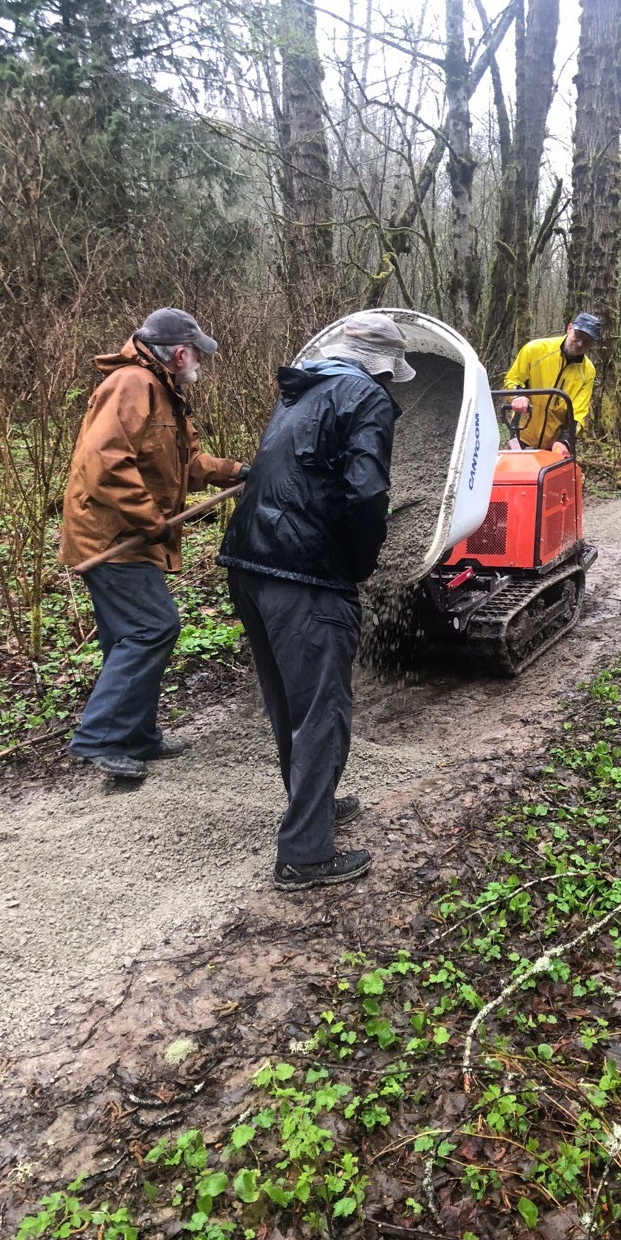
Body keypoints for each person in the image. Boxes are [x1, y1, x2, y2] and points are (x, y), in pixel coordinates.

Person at [217, 312, 415, 892]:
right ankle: (305, 853)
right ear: (383, 367)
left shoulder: (300, 389)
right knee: (323, 710)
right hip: (304, 572)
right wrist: (358, 565)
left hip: (250, 565)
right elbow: (367, 492)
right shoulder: (368, 398)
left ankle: (316, 804)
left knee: (290, 704)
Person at [59, 308, 248, 781]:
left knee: (126, 636)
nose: (199, 364)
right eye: (197, 355)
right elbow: (104, 462)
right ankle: (100, 736)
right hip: (113, 537)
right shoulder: (132, 385)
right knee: (153, 627)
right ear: (179, 353)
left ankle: (136, 736)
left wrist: (240, 471)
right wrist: (152, 520)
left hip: (126, 534)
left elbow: (188, 461)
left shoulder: (163, 392)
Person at [504, 312, 602, 450]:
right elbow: (512, 380)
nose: (580, 343)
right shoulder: (535, 350)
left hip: (554, 443)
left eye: (587, 342)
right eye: (578, 336)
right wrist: (518, 396)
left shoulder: (588, 371)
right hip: (522, 434)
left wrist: (565, 441)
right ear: (569, 329)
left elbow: (578, 412)